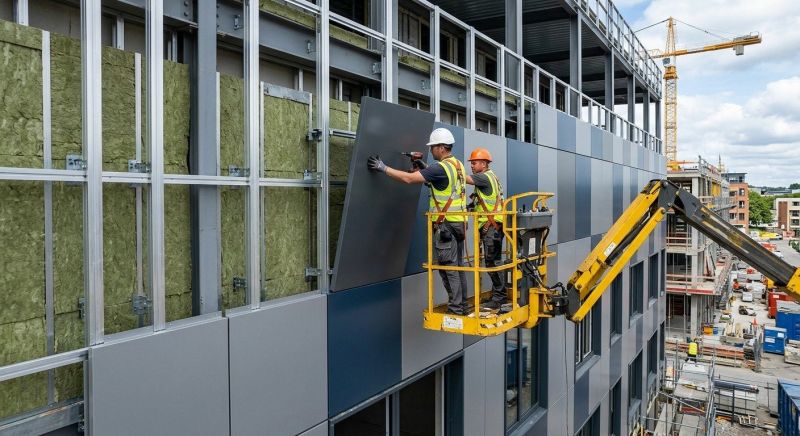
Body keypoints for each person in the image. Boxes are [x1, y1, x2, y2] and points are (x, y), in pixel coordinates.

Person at [367, 128, 469, 315]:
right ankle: (462, 305)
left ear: (440, 148)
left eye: (432, 148)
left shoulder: (439, 168)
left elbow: (408, 179)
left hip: (445, 226)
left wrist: (384, 168)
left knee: (448, 268)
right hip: (459, 224)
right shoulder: (458, 165)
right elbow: (441, 183)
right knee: (457, 266)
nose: (430, 151)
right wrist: (424, 167)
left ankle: (456, 308)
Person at [466, 148, 506, 309]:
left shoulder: (483, 177)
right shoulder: (491, 176)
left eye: (474, 163)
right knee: (492, 261)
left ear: (484, 163)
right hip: (493, 226)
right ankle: (497, 294)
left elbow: (463, 179)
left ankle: (499, 297)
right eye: (472, 163)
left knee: (492, 261)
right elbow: (483, 200)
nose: (472, 166)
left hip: (492, 227)